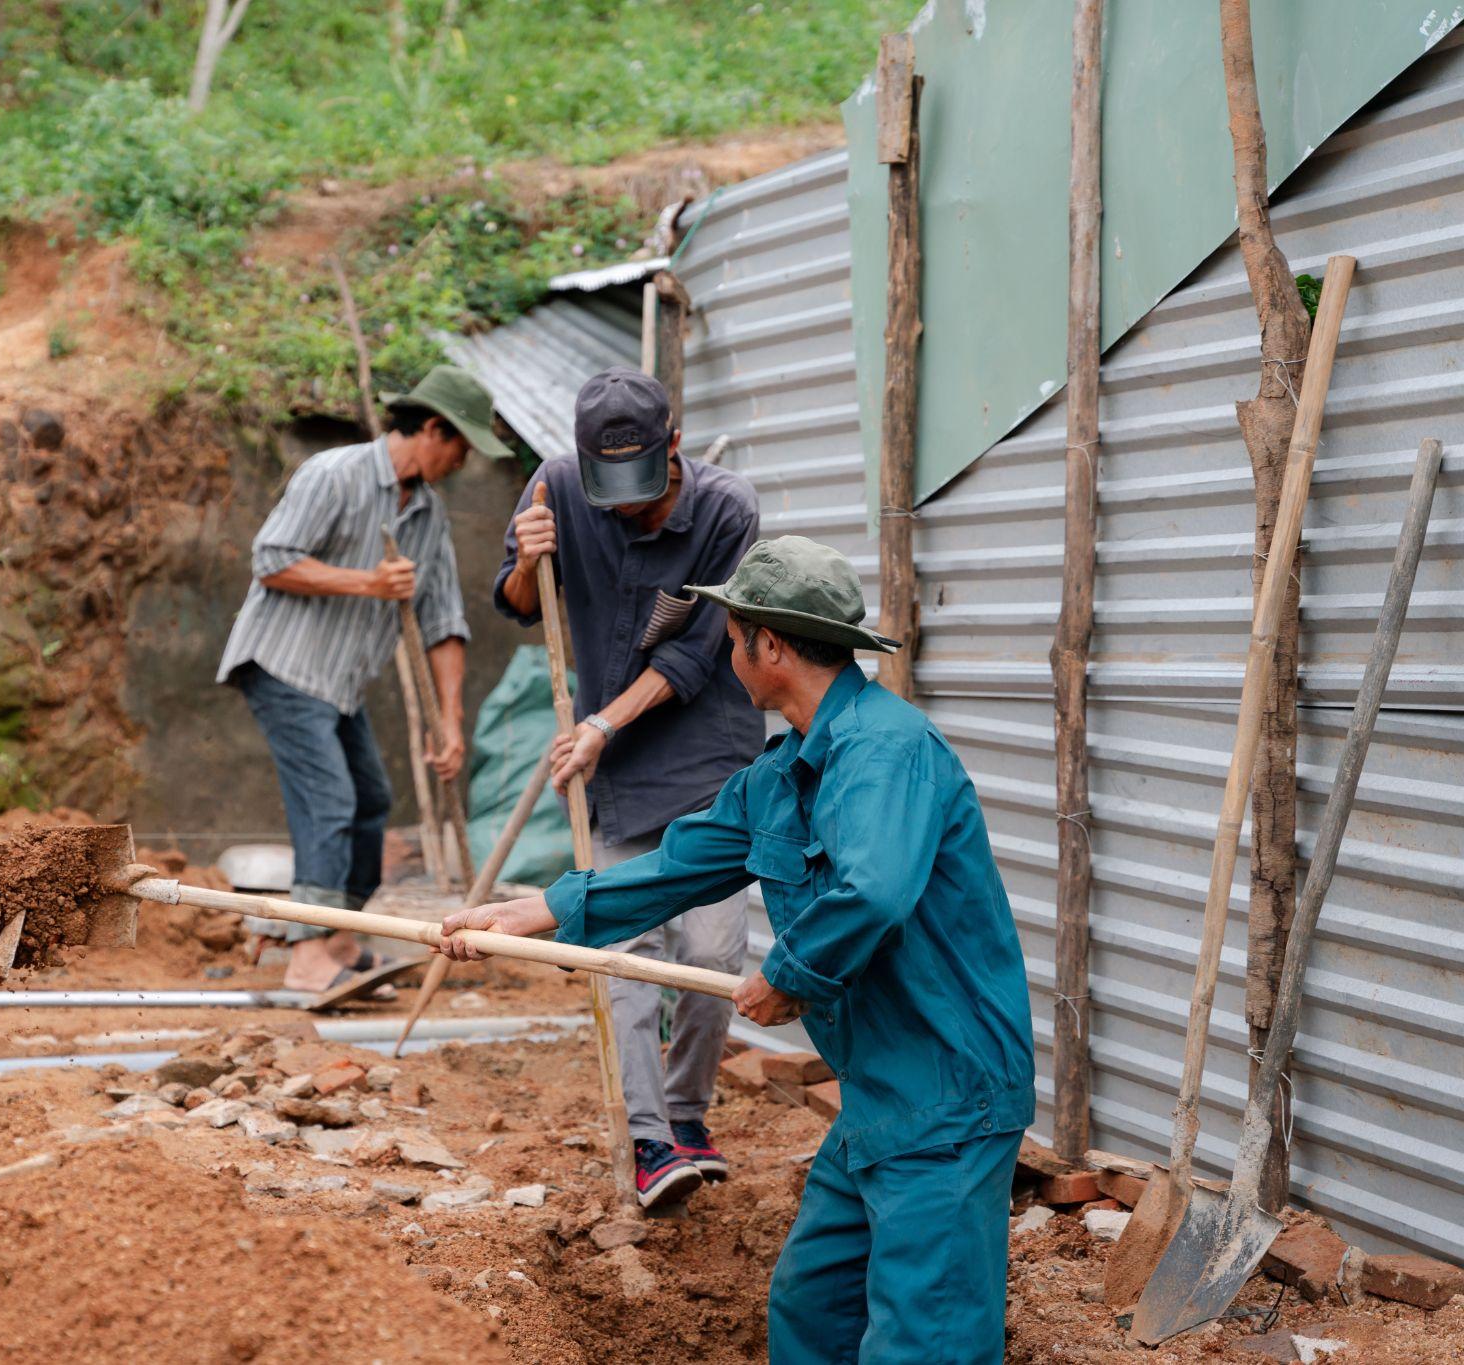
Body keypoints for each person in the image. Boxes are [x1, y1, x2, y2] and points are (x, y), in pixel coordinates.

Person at [439, 535, 1037, 1364]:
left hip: (948, 1093)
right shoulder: (781, 771)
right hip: (881, 1091)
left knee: (925, 1337)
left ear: (775, 647)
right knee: (811, 1304)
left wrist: (787, 978)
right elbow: (677, 865)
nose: (726, 653)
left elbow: (873, 890)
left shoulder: (885, 750)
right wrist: (530, 912)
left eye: (733, 637)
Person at [491, 366, 764, 1209]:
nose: (625, 510)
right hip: (613, 771)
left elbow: (695, 653)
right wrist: (526, 558)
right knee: (625, 952)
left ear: (672, 446)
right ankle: (650, 1139)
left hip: (705, 756)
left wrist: (604, 722)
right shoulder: (557, 484)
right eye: (609, 493)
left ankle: (687, 1111)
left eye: (641, 491)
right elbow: (517, 602)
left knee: (715, 954)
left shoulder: (728, 511)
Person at [217, 365, 508, 995]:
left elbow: (443, 618)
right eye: (460, 446)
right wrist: (366, 582)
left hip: (339, 682)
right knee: (329, 800)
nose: (462, 462)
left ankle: (341, 933)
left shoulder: (429, 514)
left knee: (371, 800)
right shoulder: (334, 474)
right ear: (433, 430)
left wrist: (450, 721)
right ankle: (307, 954)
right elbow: (271, 559)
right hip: (283, 664)